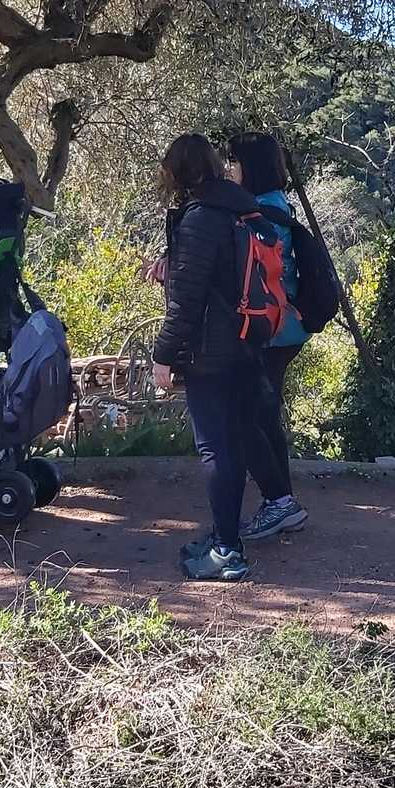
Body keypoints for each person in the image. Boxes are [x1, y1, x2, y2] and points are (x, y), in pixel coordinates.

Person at [151, 133, 272, 582]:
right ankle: (227, 537)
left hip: (212, 350)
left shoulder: (202, 218)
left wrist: (163, 356)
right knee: (234, 444)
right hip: (249, 341)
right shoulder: (244, 209)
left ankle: (226, 551)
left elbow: (186, 300)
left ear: (180, 172)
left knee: (214, 449)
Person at [226, 131, 310, 542]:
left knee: (248, 415)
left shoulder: (258, 213)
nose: (230, 169)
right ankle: (282, 501)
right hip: (287, 326)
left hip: (270, 328)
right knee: (263, 414)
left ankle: (279, 502)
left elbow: (251, 273)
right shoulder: (278, 204)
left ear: (249, 167)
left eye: (234, 162)